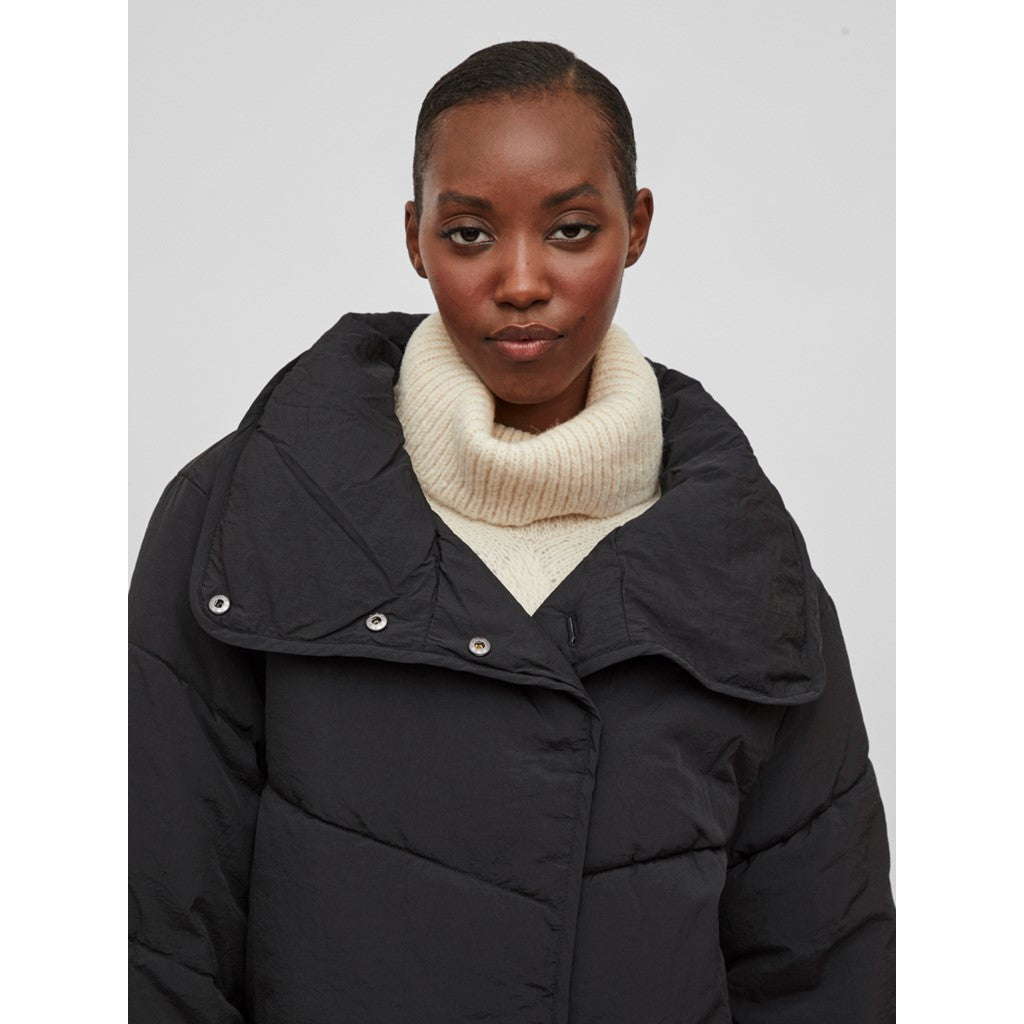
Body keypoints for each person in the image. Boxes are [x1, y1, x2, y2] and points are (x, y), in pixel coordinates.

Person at [128, 40, 896, 1024]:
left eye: (572, 230)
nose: (523, 279)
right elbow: (152, 941)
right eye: (469, 234)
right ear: (415, 238)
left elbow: (821, 968)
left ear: (637, 226)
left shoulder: (747, 567)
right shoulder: (247, 517)